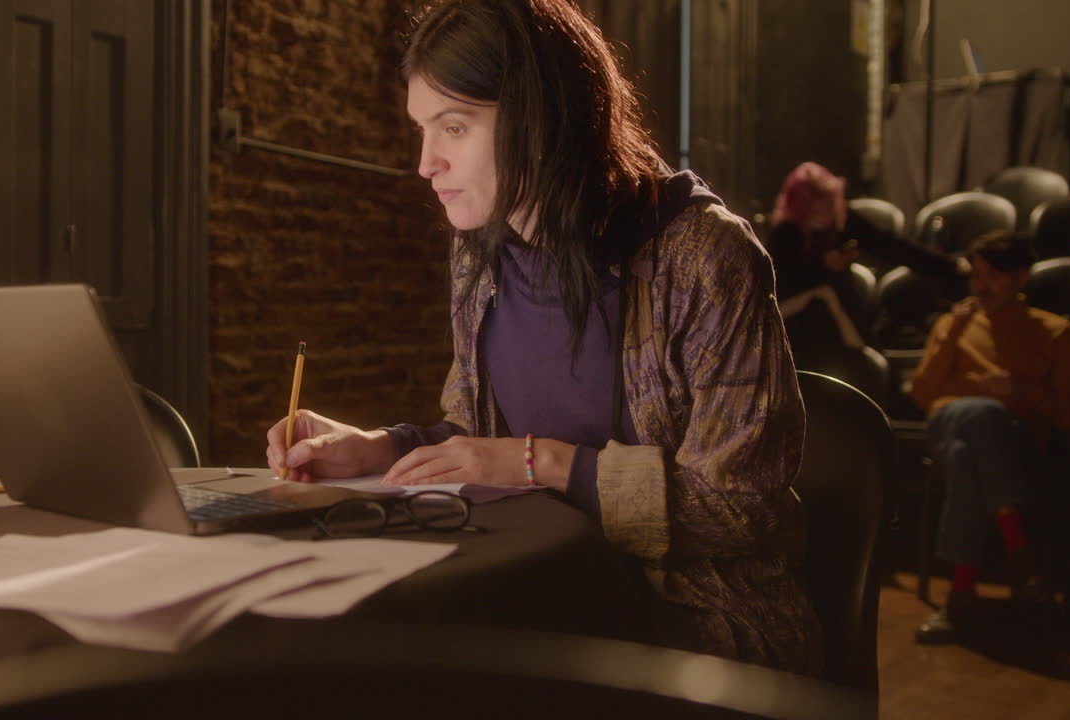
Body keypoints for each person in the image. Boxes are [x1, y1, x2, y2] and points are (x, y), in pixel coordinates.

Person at [264, 0, 820, 673]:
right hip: (539, 585)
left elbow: (741, 507)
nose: (425, 163)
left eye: (455, 127)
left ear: (543, 118)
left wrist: (545, 463)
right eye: (422, 130)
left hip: (699, 615)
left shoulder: (706, 256)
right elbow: (476, 438)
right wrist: (377, 450)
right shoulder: (480, 254)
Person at [910, 230, 1070, 644]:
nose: (981, 285)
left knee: (966, 454)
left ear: (1021, 278)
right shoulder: (954, 323)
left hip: (1013, 444)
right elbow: (922, 394)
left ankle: (960, 598)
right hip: (947, 423)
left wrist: (1024, 391)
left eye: (993, 276)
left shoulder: (1054, 332)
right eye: (976, 275)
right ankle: (1021, 563)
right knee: (977, 417)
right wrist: (952, 333)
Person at [766, 161, 965, 357]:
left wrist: (952, 265)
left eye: (829, 205)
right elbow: (776, 283)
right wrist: (821, 267)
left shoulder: (844, 220)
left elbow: (890, 246)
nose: (826, 214)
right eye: (817, 210)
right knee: (826, 299)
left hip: (842, 308)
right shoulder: (784, 233)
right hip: (795, 315)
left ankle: (868, 358)